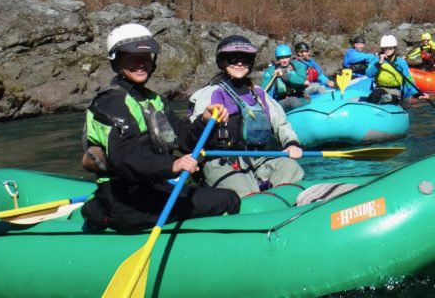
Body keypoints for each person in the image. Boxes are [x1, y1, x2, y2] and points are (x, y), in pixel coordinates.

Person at [80, 23, 239, 232]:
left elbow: (185, 139)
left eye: (145, 58)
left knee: (223, 195)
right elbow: (125, 156)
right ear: (116, 61)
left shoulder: (155, 100)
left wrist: (204, 120)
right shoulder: (111, 102)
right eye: (132, 58)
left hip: (152, 190)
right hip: (125, 202)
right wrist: (173, 165)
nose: (140, 64)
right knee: (228, 199)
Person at [187, 35, 305, 198]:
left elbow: (281, 124)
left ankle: (281, 205)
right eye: (233, 59)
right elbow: (193, 134)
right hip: (222, 161)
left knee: (292, 169)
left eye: (246, 58)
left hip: (258, 157)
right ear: (222, 62)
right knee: (247, 193)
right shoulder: (210, 93)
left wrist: (291, 143)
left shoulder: (258, 93)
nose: (240, 63)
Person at [365, 35, 427, 105]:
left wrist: (417, 93)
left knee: (382, 96)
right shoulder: (377, 60)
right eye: (385, 48)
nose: (388, 49)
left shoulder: (400, 62)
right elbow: (368, 74)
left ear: (394, 48)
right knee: (376, 95)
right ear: (382, 48)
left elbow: (408, 79)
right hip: (379, 89)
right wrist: (378, 64)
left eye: (390, 48)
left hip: (395, 91)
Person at [264, 44, 323, 111]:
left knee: (320, 87)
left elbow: (300, 80)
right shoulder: (270, 71)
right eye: (281, 58)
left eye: (287, 57)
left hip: (300, 97)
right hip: (282, 101)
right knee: (292, 101)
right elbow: (266, 91)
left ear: (290, 57)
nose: (285, 60)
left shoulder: (298, 65)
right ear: (277, 58)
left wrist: (283, 74)